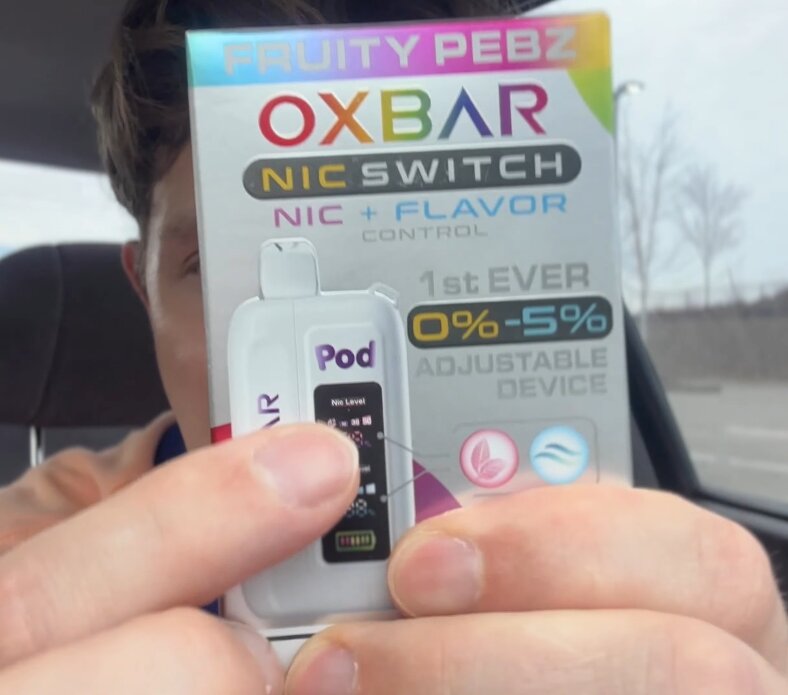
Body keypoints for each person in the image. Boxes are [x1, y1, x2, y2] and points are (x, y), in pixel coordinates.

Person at [1, 0, 787, 692]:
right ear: (143, 291)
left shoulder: (581, 529)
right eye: (213, 266)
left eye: (417, 257)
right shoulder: (37, 544)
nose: (309, 338)